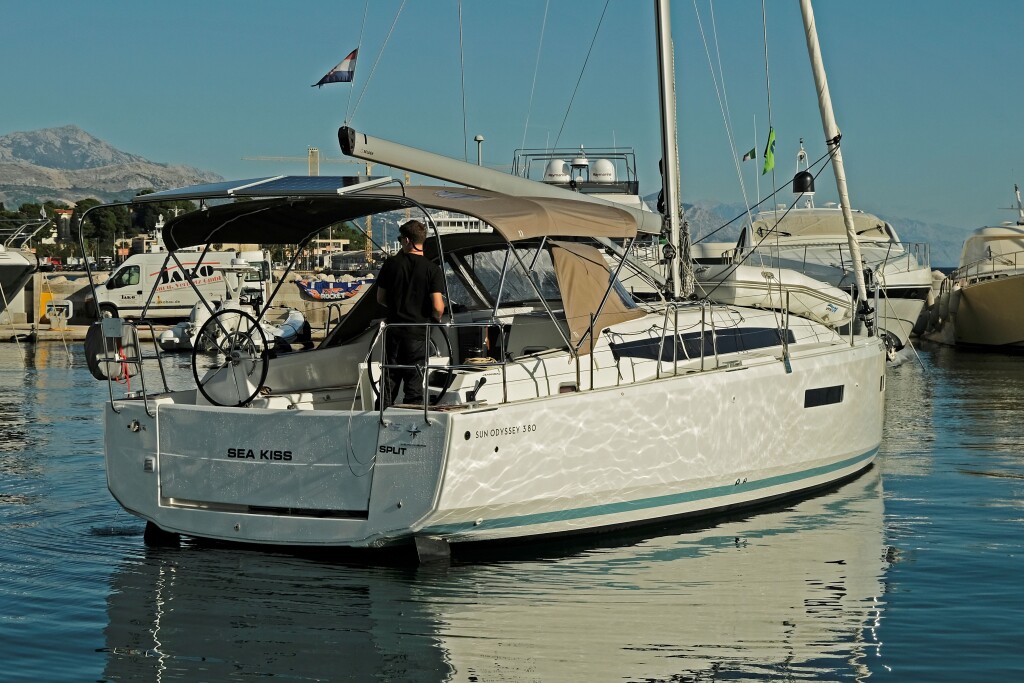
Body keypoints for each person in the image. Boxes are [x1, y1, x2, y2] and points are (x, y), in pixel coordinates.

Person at [375, 219, 446, 407]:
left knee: (389, 382)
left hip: (394, 332)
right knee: (414, 386)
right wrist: (433, 319)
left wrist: (396, 307)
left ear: (407, 240)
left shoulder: (391, 264)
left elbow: (380, 298)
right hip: (418, 334)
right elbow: (438, 307)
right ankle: (411, 420)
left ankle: (380, 418)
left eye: (400, 239)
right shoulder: (432, 269)